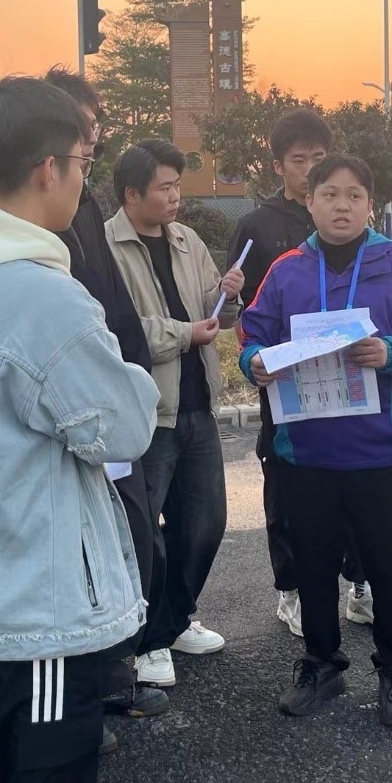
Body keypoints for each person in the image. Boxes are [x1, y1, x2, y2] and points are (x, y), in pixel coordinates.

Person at [0, 75, 158, 783]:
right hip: (33, 608)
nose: (82, 180)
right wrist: (129, 374)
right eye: (82, 163)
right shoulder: (41, 295)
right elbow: (124, 427)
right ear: (50, 168)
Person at [238, 154, 392, 727]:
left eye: (354, 195)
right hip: (304, 452)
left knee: (389, 568)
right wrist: (252, 361)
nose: (342, 206)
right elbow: (252, 333)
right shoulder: (286, 270)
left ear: (370, 204)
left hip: (380, 451)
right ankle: (321, 663)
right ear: (308, 201)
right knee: (312, 567)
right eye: (329, 194)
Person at [42, 67, 167, 731]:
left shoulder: (80, 198)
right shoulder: (35, 216)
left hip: (112, 399)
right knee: (93, 549)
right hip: (80, 407)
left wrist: (132, 373)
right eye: (83, 125)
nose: (93, 136)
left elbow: (110, 302)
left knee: (130, 539)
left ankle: (116, 671)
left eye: (95, 124)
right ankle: (90, 694)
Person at [225, 108, 371, 638]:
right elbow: (239, 314)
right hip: (286, 380)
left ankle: (360, 583)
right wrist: (250, 351)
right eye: (298, 159)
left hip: (349, 373)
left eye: (318, 157)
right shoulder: (256, 226)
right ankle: (291, 589)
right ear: (278, 165)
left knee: (356, 480)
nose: (309, 168)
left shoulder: (347, 218)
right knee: (286, 486)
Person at [105, 140, 242, 688]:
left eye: (177, 186)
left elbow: (214, 313)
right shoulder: (106, 248)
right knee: (145, 533)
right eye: (164, 187)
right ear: (131, 194)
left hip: (198, 403)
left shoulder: (187, 240)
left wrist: (227, 295)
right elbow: (120, 329)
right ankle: (147, 641)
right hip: (148, 413)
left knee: (205, 523)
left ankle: (175, 619)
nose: (175, 197)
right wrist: (186, 333)